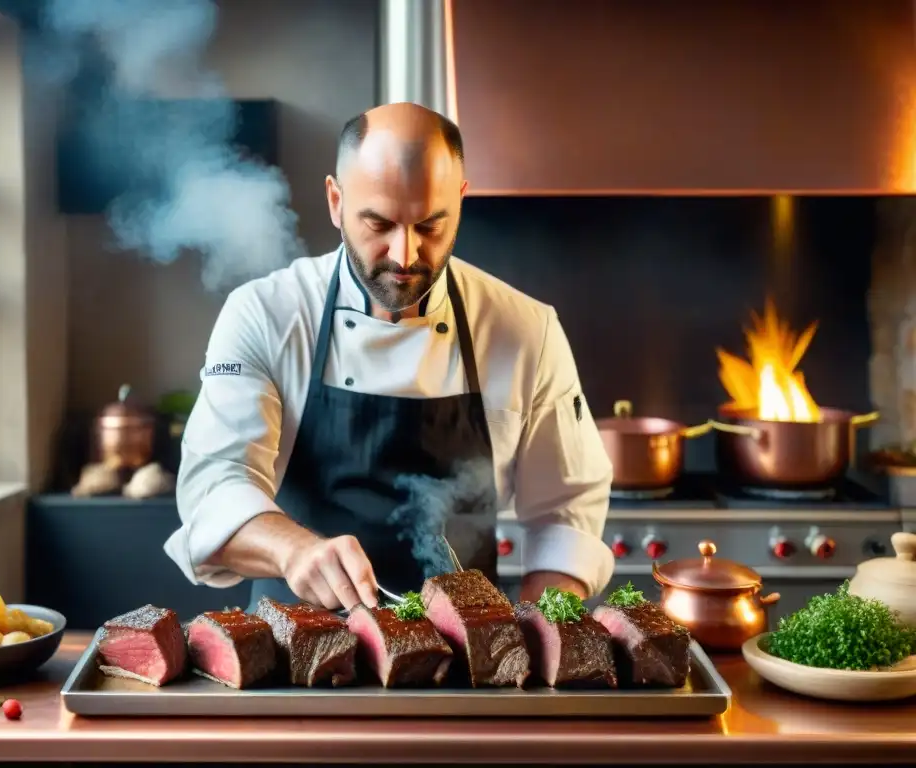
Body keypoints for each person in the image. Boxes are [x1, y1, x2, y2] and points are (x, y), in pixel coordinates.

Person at [164, 102, 615, 612]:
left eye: (430, 226)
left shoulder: (526, 329)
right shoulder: (266, 314)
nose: (405, 255)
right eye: (378, 223)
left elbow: (565, 509)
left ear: (461, 202)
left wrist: (542, 624)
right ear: (336, 200)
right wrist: (294, 551)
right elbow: (214, 487)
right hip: (292, 651)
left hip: (468, 658)